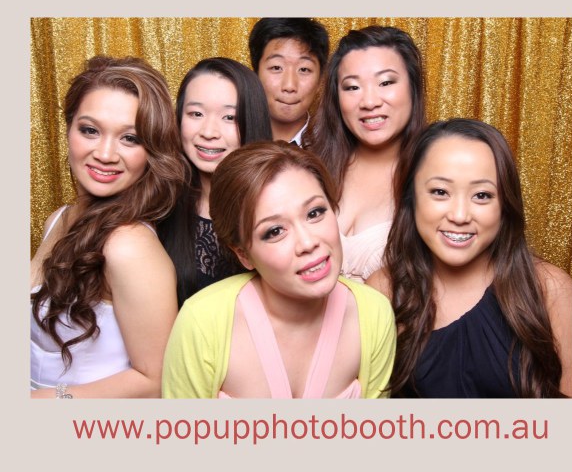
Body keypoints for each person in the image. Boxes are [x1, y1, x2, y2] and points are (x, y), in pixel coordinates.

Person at [162, 143, 397, 399]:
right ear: (243, 254)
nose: (308, 242)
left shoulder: (374, 314)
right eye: (275, 231)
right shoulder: (201, 323)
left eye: (315, 213)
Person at [368, 119, 572, 398]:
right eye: (440, 192)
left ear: (505, 205)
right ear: (411, 197)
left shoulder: (550, 289)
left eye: (482, 195)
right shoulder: (383, 290)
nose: (460, 215)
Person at [31, 55, 187, 397]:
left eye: (129, 138)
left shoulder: (129, 244)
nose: (104, 153)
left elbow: (156, 381)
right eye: (90, 130)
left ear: (151, 150)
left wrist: (45, 402)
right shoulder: (58, 219)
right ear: (69, 129)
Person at [305, 26, 425, 281]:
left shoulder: (435, 177)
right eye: (352, 87)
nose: (369, 102)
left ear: (413, 87)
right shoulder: (310, 167)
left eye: (386, 82)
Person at [158, 58, 272, 306]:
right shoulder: (158, 206)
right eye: (196, 114)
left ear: (252, 120)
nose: (209, 132)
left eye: (229, 117)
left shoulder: (279, 204)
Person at [248, 18, 330, 144]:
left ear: (320, 80)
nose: (289, 86)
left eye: (304, 69)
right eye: (276, 68)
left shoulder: (335, 149)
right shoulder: (230, 141)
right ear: (255, 73)